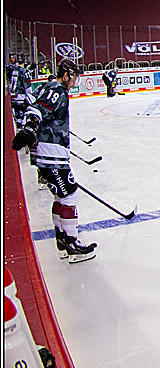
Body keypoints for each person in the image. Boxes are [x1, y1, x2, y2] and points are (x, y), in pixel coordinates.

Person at [11, 59, 96, 263]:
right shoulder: (57, 89)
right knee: (69, 196)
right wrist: (31, 127)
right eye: (74, 77)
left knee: (60, 197)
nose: (75, 82)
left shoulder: (49, 86)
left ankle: (62, 242)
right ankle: (72, 243)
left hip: (48, 152)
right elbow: (39, 109)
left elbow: (34, 105)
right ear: (66, 74)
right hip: (52, 154)